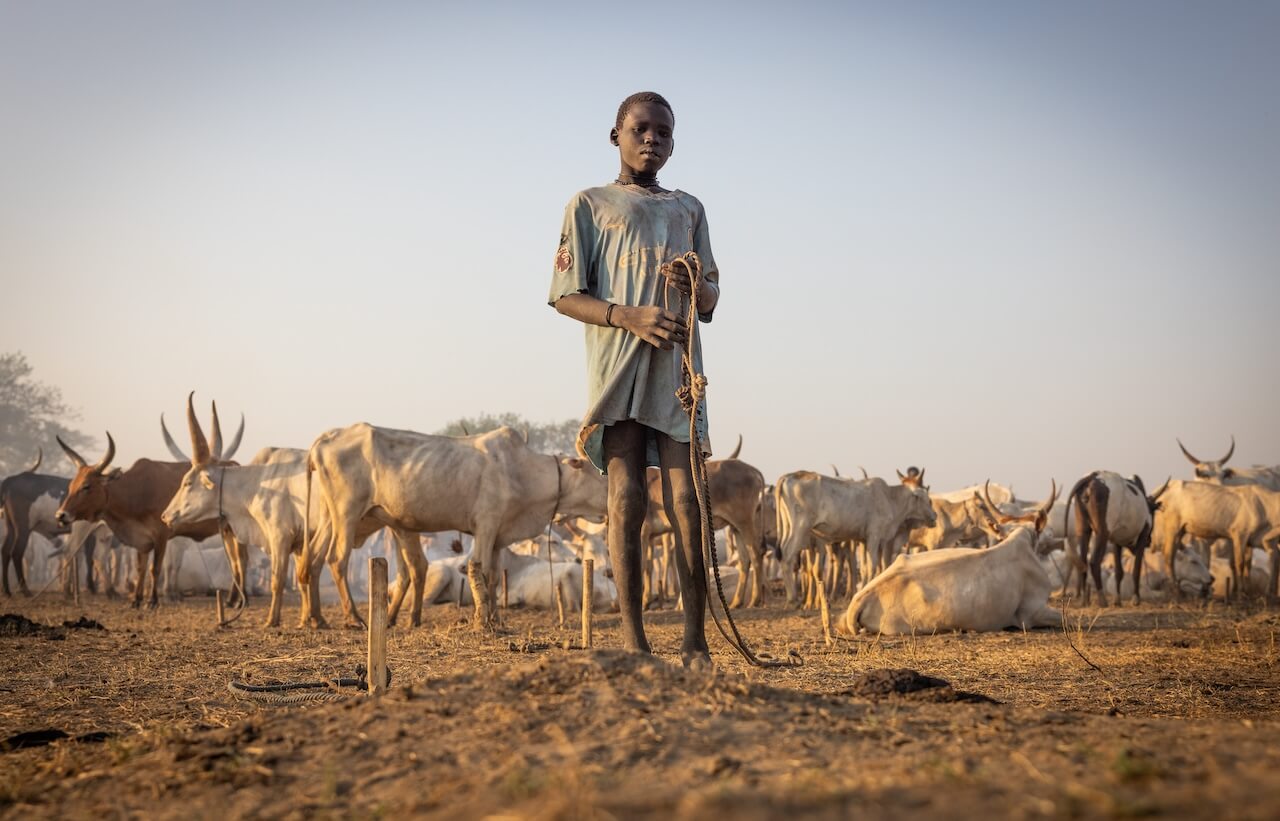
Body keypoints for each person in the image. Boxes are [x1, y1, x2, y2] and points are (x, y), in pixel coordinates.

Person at [548, 91, 720, 670]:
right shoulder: (590, 204)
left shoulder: (688, 209)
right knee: (624, 500)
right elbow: (565, 295)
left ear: (673, 144)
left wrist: (694, 283)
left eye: (664, 133)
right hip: (618, 365)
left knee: (688, 504)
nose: (652, 140)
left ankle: (695, 644)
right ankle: (634, 643)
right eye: (641, 129)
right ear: (616, 135)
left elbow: (713, 296)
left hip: (676, 371)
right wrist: (628, 316)